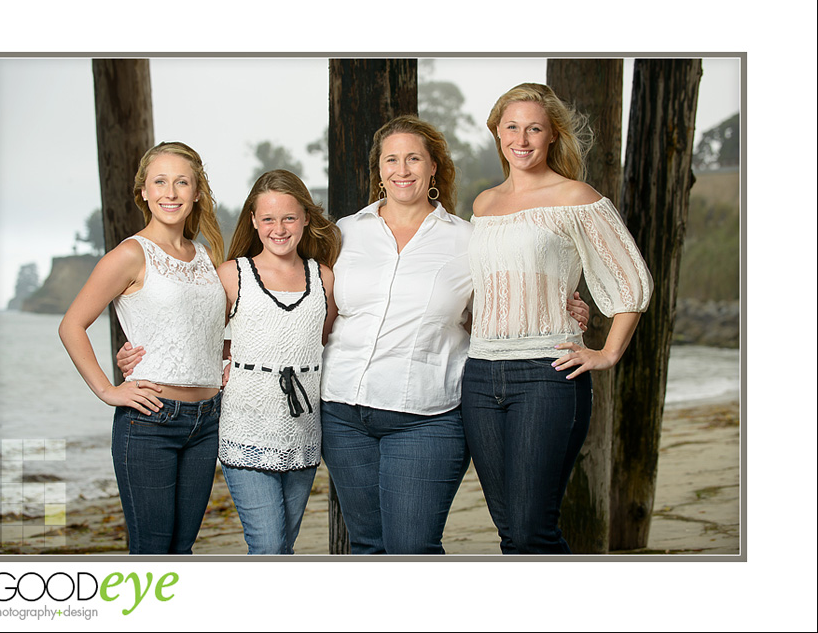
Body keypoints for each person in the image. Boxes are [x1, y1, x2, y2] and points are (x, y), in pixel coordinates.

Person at [320, 115, 590, 554]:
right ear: (379, 169)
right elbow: (313, 306)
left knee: (413, 549)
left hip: (426, 415)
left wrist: (565, 306)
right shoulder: (344, 233)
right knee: (367, 547)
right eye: (392, 159)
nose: (402, 169)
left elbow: (511, 293)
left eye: (413, 159)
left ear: (433, 168)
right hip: (342, 412)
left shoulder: (468, 239)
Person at [461, 82, 654, 554]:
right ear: (497, 133)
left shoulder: (574, 196)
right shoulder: (483, 204)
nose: (521, 139)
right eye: (512, 127)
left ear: (552, 137)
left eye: (534, 129)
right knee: (510, 532)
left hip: (547, 375)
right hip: (481, 376)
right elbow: (490, 286)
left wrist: (607, 352)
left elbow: (632, 279)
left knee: (533, 530)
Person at [119, 169, 340, 555]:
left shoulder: (324, 278)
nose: (279, 228)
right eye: (268, 219)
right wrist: (136, 357)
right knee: (268, 546)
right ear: (253, 221)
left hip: (304, 430)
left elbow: (326, 340)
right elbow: (192, 338)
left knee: (284, 547)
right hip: (245, 427)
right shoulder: (231, 275)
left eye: (289, 217)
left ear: (306, 217)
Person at [59, 141, 226, 554]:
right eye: (160, 182)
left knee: (183, 549)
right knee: (151, 551)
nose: (171, 193)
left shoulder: (206, 256)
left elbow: (205, 327)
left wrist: (225, 360)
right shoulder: (130, 254)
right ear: (144, 192)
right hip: (150, 422)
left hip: (207, 421)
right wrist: (107, 389)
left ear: (197, 192)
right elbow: (72, 325)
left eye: (182, 182)